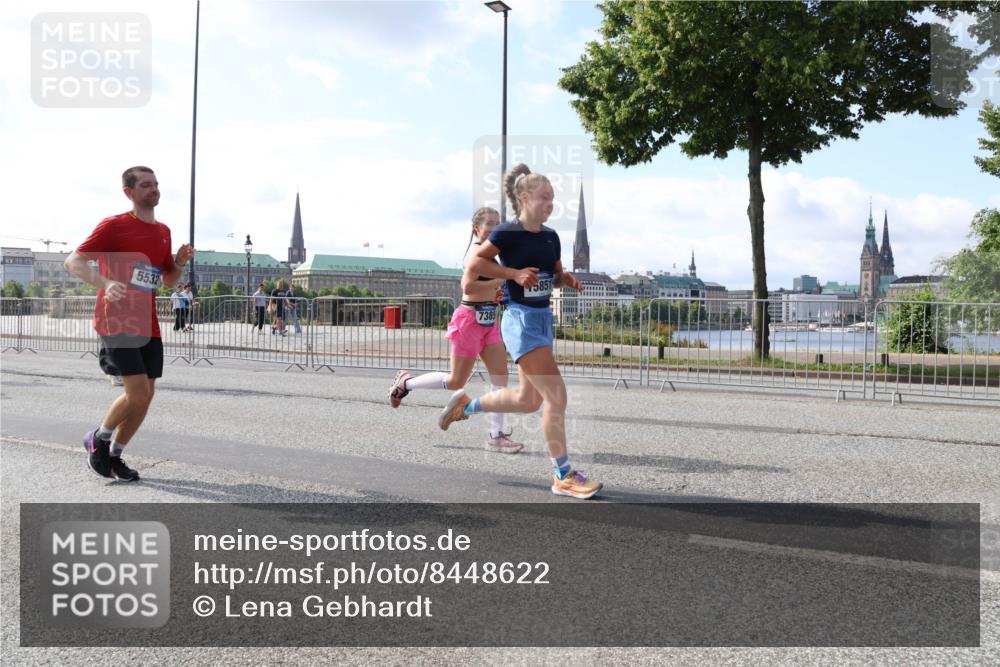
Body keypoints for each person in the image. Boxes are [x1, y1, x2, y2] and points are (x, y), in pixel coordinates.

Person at [437, 164, 601, 499]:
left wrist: (565, 279)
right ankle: (563, 474)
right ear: (525, 198)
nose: (550, 203)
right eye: (544, 197)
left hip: (543, 320)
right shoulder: (507, 233)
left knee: (528, 401)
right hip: (520, 321)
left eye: (553, 198)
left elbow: (552, 274)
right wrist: (512, 274)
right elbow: (475, 266)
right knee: (557, 397)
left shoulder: (551, 237)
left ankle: (465, 407)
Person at [65, 166, 195, 481]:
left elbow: (166, 281)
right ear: (129, 192)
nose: (154, 189)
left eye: (156, 184)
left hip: (147, 322)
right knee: (136, 393)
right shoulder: (115, 225)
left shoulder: (163, 231)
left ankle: (115, 454)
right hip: (117, 319)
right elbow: (74, 261)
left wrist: (177, 263)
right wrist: (106, 283)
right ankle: (98, 438)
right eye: (146, 185)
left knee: (147, 394)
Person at [388, 207, 523, 454]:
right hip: (469, 319)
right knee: (455, 381)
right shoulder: (475, 253)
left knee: (501, 377)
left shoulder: (494, 255)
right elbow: (468, 286)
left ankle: (496, 436)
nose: (494, 228)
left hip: (489, 321)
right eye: (489, 224)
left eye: (498, 224)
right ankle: (406, 383)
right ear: (476, 229)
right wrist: (503, 281)